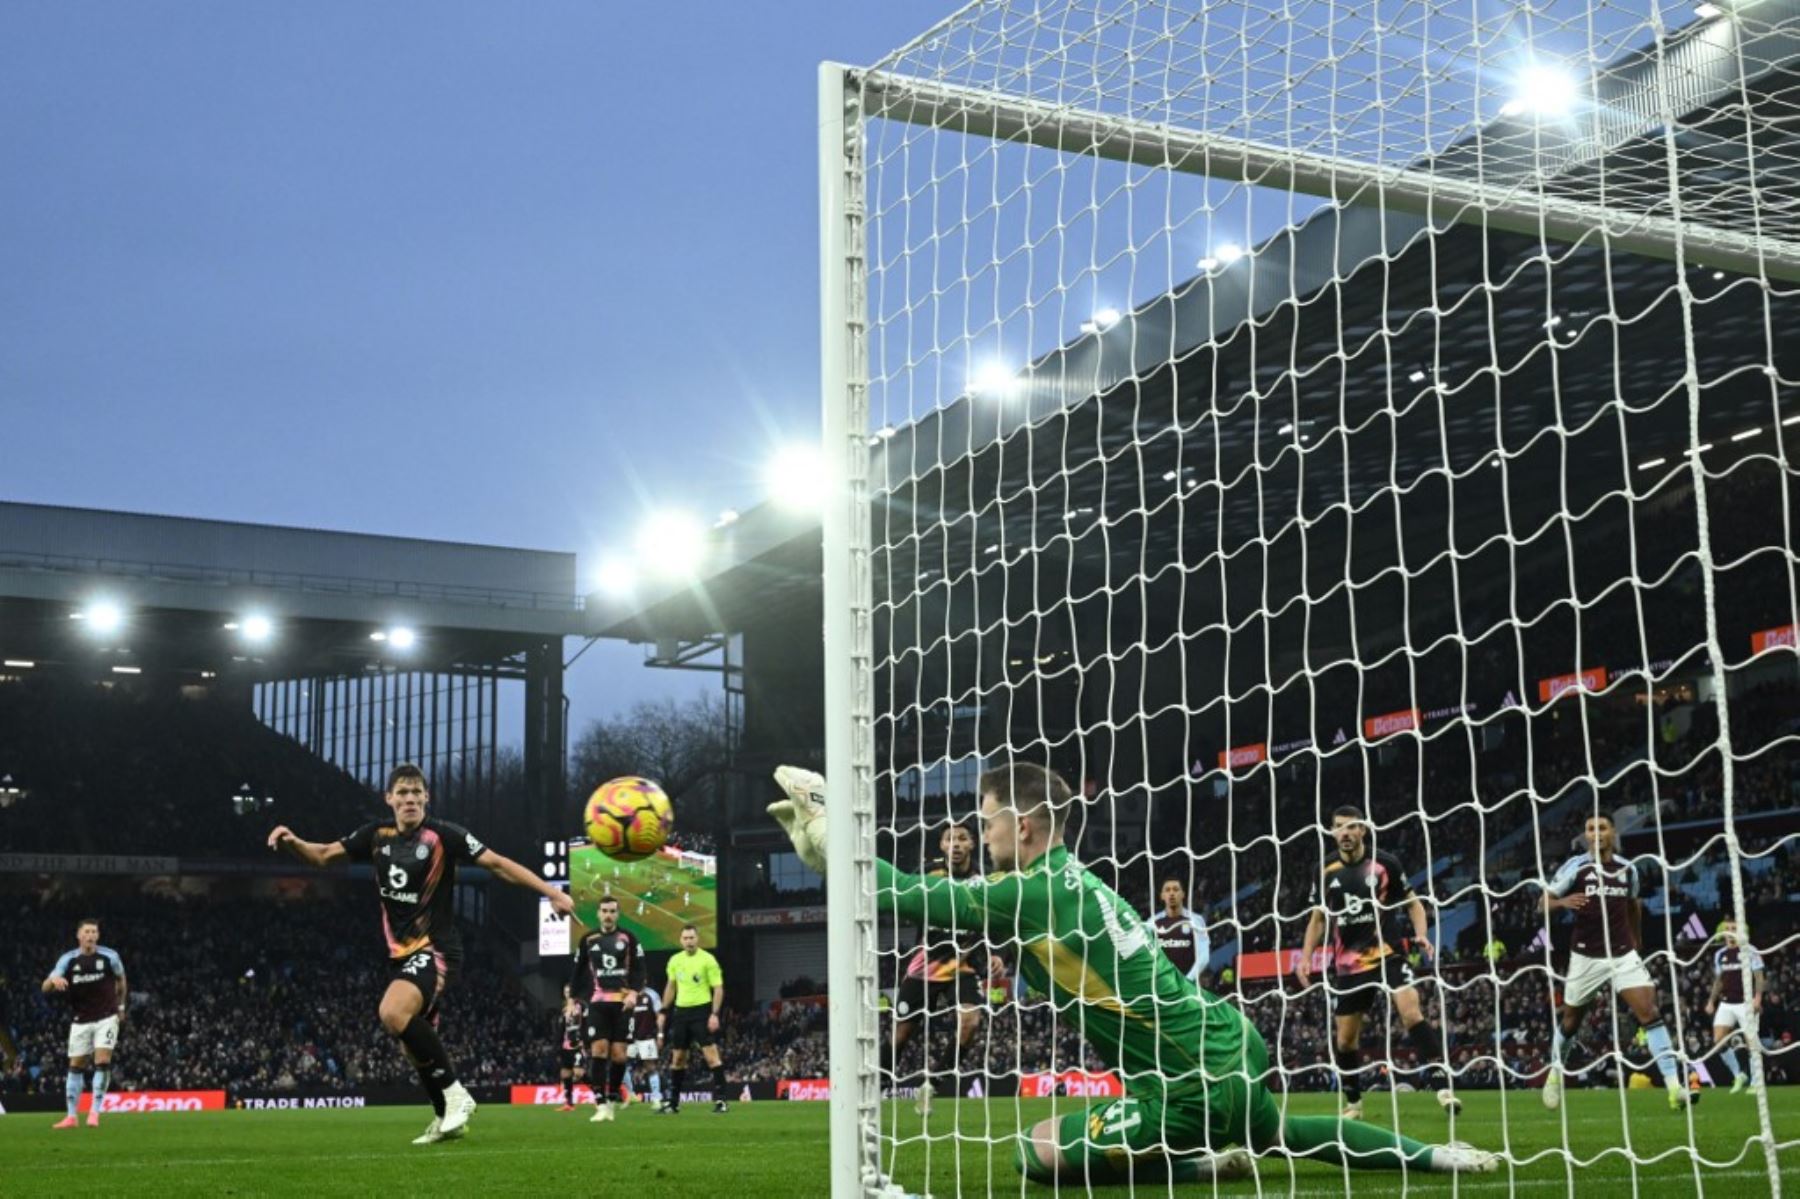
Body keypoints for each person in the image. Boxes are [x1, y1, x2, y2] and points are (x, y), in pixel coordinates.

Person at [771, 764, 1497, 1185]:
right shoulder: (1069, 880)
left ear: (1023, 825)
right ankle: (1436, 1153)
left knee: (1038, 1150)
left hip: (1185, 1079)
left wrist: (835, 835)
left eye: (985, 819)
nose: (979, 831)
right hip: (1226, 1042)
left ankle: (1194, 1162)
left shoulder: (1030, 890)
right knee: (1281, 1131)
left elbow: (906, 893)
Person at [268, 762, 575, 1144]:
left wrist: (553, 893)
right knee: (413, 1045)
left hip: (437, 948)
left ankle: (457, 1095)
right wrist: (293, 842)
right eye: (403, 793)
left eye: (416, 792)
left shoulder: (444, 836)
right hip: (402, 954)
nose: (410, 799)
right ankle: (447, 1116)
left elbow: (498, 865)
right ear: (390, 799)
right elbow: (324, 854)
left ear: (426, 798)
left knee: (392, 1012)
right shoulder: (375, 836)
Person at [1296, 807, 1459, 1118]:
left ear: (1363, 831)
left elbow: (1413, 903)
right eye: (1339, 827)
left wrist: (1422, 935)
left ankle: (1443, 1088)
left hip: (1388, 953)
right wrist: (1306, 958)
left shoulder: (1385, 863)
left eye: (1351, 827)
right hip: (1348, 965)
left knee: (1411, 1011)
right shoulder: (1324, 869)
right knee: (1345, 1040)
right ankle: (1355, 1102)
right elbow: (1317, 919)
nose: (1345, 833)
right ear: (1332, 832)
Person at [1540, 813, 1695, 1111]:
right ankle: (1554, 1074)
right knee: (1571, 1021)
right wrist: (1562, 902)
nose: (1596, 833)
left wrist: (1636, 940)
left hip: (1622, 954)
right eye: (1590, 829)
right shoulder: (1576, 866)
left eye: (1602, 827)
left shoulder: (1628, 869)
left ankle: (1675, 1088)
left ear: (1612, 832)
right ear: (1585, 835)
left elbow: (1634, 904)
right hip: (1586, 956)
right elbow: (1541, 902)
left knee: (1648, 1011)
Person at [886, 818, 1005, 1114]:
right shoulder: (929, 874)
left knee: (971, 1022)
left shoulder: (986, 880)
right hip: (927, 962)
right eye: (950, 839)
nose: (956, 844)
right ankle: (875, 1086)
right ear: (942, 845)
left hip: (963, 963)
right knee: (901, 1034)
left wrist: (998, 952)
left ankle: (932, 1086)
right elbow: (905, 896)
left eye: (962, 838)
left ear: (972, 844)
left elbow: (1001, 918)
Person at [40, 918, 126, 1129]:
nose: (90, 935)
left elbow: (121, 980)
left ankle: (94, 1113)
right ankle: (71, 1117)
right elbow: (45, 987)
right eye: (86, 932)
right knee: (75, 1066)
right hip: (80, 1019)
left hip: (107, 1016)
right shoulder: (67, 960)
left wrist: (121, 1007)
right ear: (79, 936)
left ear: (98, 935)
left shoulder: (110, 956)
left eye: (94, 932)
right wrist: (54, 981)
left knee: (102, 1060)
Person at [565, 895, 644, 1122]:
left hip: (622, 1003)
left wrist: (634, 992)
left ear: (617, 914)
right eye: (604, 911)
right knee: (599, 1050)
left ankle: (611, 1098)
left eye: (612, 911)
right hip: (598, 1002)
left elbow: (640, 969)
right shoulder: (589, 939)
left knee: (619, 1056)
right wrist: (571, 1000)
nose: (608, 915)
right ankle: (600, 1103)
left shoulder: (629, 938)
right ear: (598, 913)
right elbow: (577, 971)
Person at [658, 924, 728, 1114]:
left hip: (701, 1012)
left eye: (692, 938)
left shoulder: (708, 959)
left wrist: (714, 1014)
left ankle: (721, 1101)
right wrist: (663, 1010)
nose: (689, 941)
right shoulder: (674, 960)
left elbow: (718, 988)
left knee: (711, 1057)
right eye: (685, 938)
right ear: (681, 940)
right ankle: (673, 1103)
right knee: (678, 1058)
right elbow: (671, 986)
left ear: (697, 939)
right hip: (681, 1013)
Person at [1705, 920, 1766, 1094]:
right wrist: (1711, 1001)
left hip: (1745, 1003)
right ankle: (1738, 1074)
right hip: (1726, 1003)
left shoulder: (1750, 950)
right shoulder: (1720, 954)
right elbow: (1718, 981)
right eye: (1727, 929)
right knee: (1718, 1042)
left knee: (1751, 1042)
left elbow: (1759, 977)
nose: (1730, 932)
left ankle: (1755, 1081)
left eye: (1734, 928)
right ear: (1722, 933)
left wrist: (1758, 998)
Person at [1150, 876, 1210, 986]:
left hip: (1189, 986)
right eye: (1167, 890)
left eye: (1176, 889)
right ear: (1162, 896)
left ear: (1183, 894)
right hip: (1162, 985)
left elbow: (1204, 955)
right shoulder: (1152, 923)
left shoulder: (1196, 920)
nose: (1171, 893)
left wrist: (1187, 980)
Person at [625, 987, 665, 1105]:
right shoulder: (626, 994)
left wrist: (660, 1035)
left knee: (650, 1066)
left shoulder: (652, 994)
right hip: (629, 1038)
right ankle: (630, 1094)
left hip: (646, 1037)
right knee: (620, 1064)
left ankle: (656, 1097)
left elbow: (660, 1016)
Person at [556, 997, 585, 1111]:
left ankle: (599, 1095)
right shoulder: (564, 1011)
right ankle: (569, 1103)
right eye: (565, 992)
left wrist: (584, 1040)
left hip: (577, 1046)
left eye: (569, 992)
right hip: (565, 1046)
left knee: (578, 1073)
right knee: (565, 1074)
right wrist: (558, 1046)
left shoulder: (581, 1007)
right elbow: (561, 1030)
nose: (567, 995)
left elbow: (585, 1024)